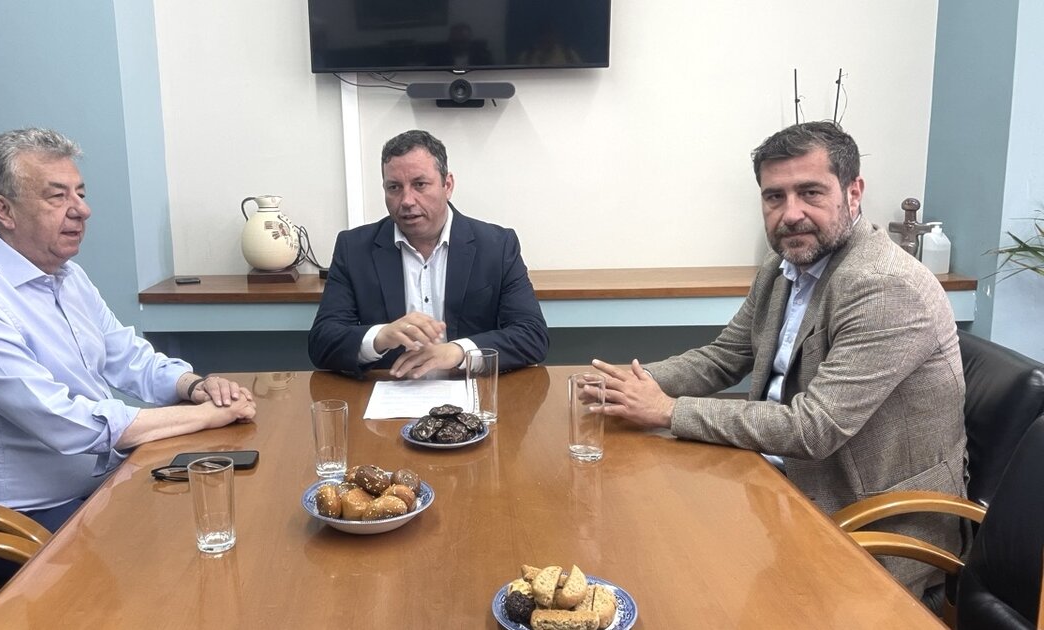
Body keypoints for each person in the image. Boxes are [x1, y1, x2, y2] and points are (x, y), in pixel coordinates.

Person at [590, 121, 967, 597]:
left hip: (869, 522)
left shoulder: (885, 286)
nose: (791, 214)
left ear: (853, 193)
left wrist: (667, 410)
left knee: (686, 583)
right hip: (775, 480)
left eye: (810, 192)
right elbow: (724, 356)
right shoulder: (785, 265)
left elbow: (814, 428)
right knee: (637, 538)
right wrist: (627, 383)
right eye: (775, 197)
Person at [0, 128, 256, 538]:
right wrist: (203, 417)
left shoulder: (67, 276)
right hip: (8, 519)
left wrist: (195, 386)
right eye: (57, 196)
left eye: (80, 193)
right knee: (178, 549)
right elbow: (63, 422)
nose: (82, 210)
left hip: (94, 487)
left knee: (231, 514)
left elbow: (128, 357)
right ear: (4, 210)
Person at [308, 129, 548, 378]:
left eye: (419, 184)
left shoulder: (497, 246)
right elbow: (322, 343)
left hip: (469, 390)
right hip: (390, 390)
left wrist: (458, 352)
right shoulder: (354, 248)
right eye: (394, 187)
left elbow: (532, 335)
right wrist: (379, 337)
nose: (407, 200)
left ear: (447, 185)